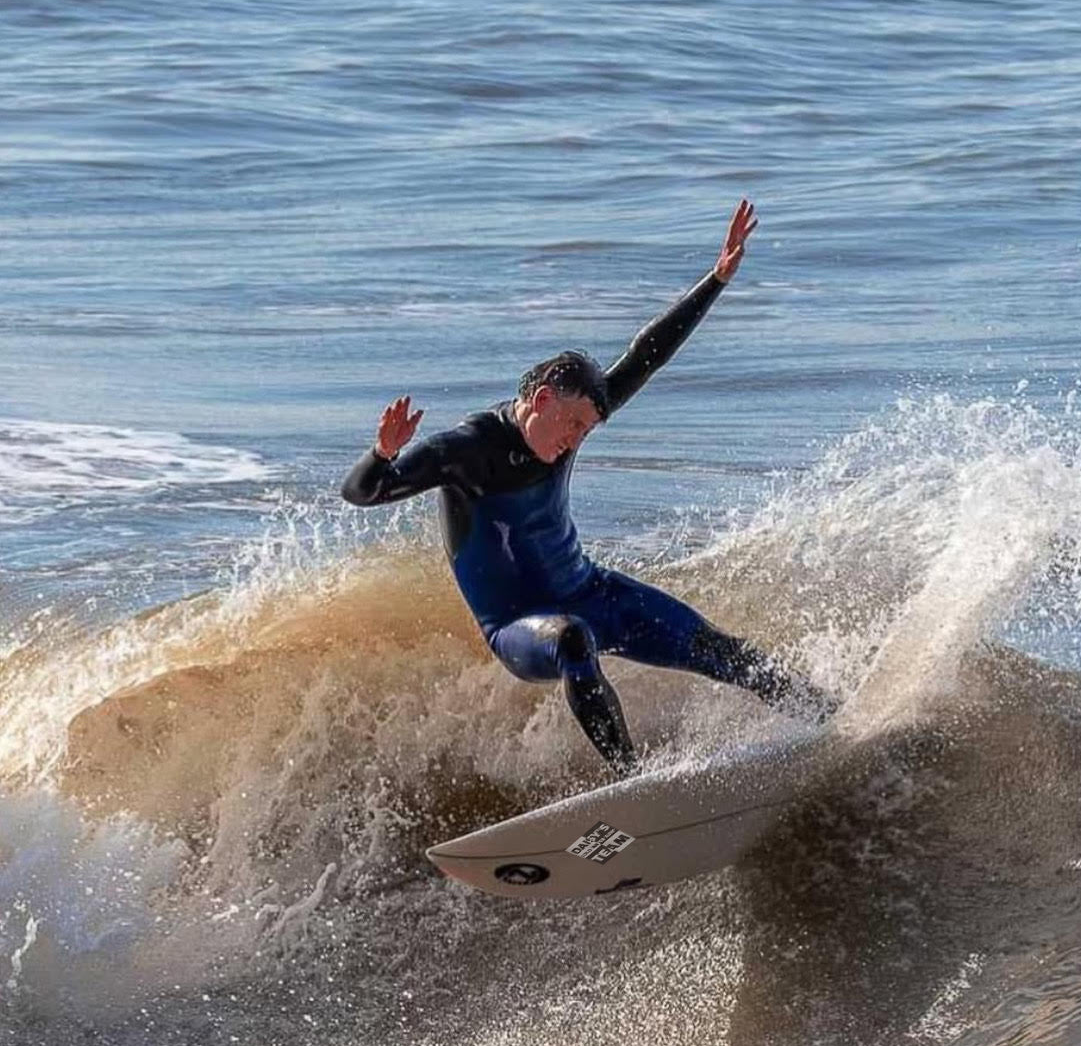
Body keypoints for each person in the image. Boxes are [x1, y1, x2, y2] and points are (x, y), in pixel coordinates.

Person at [342, 199, 833, 773]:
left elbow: (644, 357)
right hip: (521, 629)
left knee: (712, 646)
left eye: (587, 430)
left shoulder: (570, 420)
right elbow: (363, 493)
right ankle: (631, 782)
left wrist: (717, 278)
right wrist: (383, 452)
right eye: (573, 424)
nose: (576, 440)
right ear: (543, 400)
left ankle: (832, 717)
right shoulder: (466, 451)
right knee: (574, 641)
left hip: (591, 591)